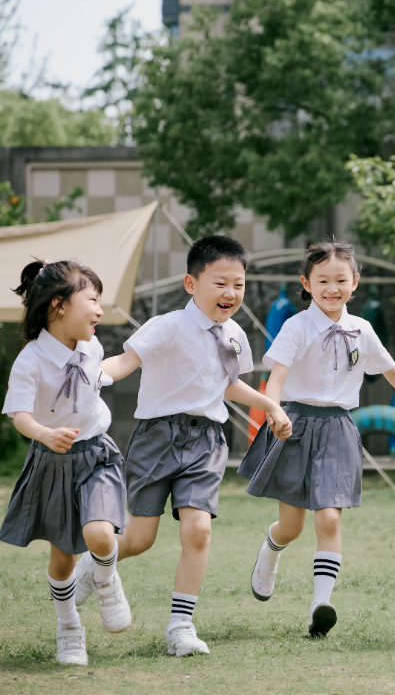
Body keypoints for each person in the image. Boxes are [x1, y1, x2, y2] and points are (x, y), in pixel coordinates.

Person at [75, 235, 293, 657]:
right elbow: (123, 363)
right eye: (220, 283)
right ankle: (94, 563)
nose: (231, 293)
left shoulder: (234, 335)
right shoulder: (166, 325)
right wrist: (89, 376)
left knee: (198, 530)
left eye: (239, 284)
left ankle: (181, 626)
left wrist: (269, 405)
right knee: (139, 539)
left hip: (207, 441)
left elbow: (230, 386)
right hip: (156, 437)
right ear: (192, 284)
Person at [240, 240, 395, 637]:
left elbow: (393, 373)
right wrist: (275, 410)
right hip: (296, 423)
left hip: (339, 427)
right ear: (306, 282)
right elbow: (277, 377)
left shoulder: (363, 329)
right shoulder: (296, 326)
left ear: (355, 282)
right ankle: (270, 550)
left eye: (341, 279)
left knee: (330, 516)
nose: (332, 288)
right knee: (291, 526)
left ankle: (321, 604)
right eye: (323, 281)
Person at [1, 259, 130, 665]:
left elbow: (102, 375)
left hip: (96, 454)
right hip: (52, 461)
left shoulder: (93, 347)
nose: (99, 311)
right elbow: (20, 415)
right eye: (92, 300)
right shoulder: (31, 359)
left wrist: (145, 352)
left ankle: (107, 580)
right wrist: (44, 433)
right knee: (62, 559)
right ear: (58, 305)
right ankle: (68, 626)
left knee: (100, 535)